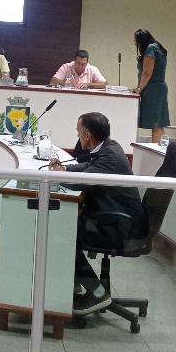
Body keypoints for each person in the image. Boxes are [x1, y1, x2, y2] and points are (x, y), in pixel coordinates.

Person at [49, 112, 147, 315]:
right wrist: (65, 169)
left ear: (87, 135)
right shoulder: (110, 147)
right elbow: (89, 167)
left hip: (120, 226)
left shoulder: (109, 157)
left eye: (78, 132)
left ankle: (97, 293)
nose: (77, 135)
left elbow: (83, 181)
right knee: (65, 228)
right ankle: (76, 284)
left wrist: (55, 177)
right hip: (117, 217)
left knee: (62, 236)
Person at [133, 29, 169, 142]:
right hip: (159, 88)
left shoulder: (151, 48)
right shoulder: (158, 47)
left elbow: (147, 73)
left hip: (153, 90)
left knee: (156, 124)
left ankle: (156, 148)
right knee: (158, 123)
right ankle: (160, 146)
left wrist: (139, 88)